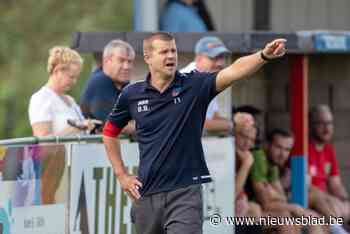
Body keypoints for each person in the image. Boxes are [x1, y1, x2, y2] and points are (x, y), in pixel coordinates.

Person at [102, 32, 286, 234]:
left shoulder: (195, 84)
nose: (171, 56)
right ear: (148, 58)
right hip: (147, 194)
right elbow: (110, 131)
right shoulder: (131, 94)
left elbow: (234, 71)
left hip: (185, 193)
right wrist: (121, 175)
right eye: (164, 52)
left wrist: (263, 55)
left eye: (173, 50)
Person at [251, 128, 327, 234]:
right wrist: (294, 207)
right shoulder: (259, 157)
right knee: (286, 218)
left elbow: (282, 199)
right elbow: (266, 203)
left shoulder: (273, 165)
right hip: (245, 214)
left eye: (287, 149)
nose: (282, 154)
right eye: (278, 147)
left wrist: (274, 195)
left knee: (313, 218)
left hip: (263, 212)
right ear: (267, 145)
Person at [29, 46, 99, 137]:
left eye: (76, 77)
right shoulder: (40, 98)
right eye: (71, 77)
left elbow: (81, 131)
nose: (74, 81)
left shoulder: (70, 100)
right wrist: (76, 128)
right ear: (57, 71)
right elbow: (43, 141)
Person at [80, 39, 136, 134]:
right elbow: (116, 123)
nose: (126, 66)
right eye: (121, 60)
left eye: (129, 62)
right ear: (107, 61)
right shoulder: (100, 81)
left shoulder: (124, 84)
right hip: (91, 147)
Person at [181, 36, 233, 134]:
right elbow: (197, 122)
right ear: (198, 59)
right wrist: (232, 124)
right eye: (214, 57)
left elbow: (213, 116)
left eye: (222, 57)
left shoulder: (207, 79)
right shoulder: (188, 80)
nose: (220, 63)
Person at [308, 105, 350, 225]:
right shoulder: (303, 148)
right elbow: (306, 186)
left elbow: (335, 184)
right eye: (321, 124)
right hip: (310, 200)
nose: (327, 128)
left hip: (326, 200)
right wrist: (330, 199)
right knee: (330, 206)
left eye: (329, 123)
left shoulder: (328, 150)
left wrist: (345, 200)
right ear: (311, 124)